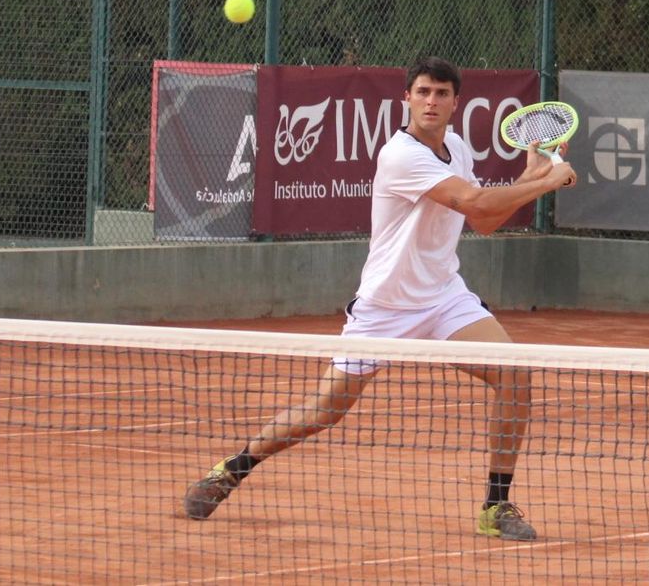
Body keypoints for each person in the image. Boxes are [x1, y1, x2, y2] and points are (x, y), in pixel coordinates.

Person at [182, 56, 576, 542]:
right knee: (324, 411)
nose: (431, 101)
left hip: (443, 296)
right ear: (406, 98)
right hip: (384, 307)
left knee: (514, 375)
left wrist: (528, 183)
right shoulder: (400, 155)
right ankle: (233, 468)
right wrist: (543, 181)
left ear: (456, 103)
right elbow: (475, 203)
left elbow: (484, 220)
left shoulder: (456, 147)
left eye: (442, 94)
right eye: (423, 92)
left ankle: (496, 505)